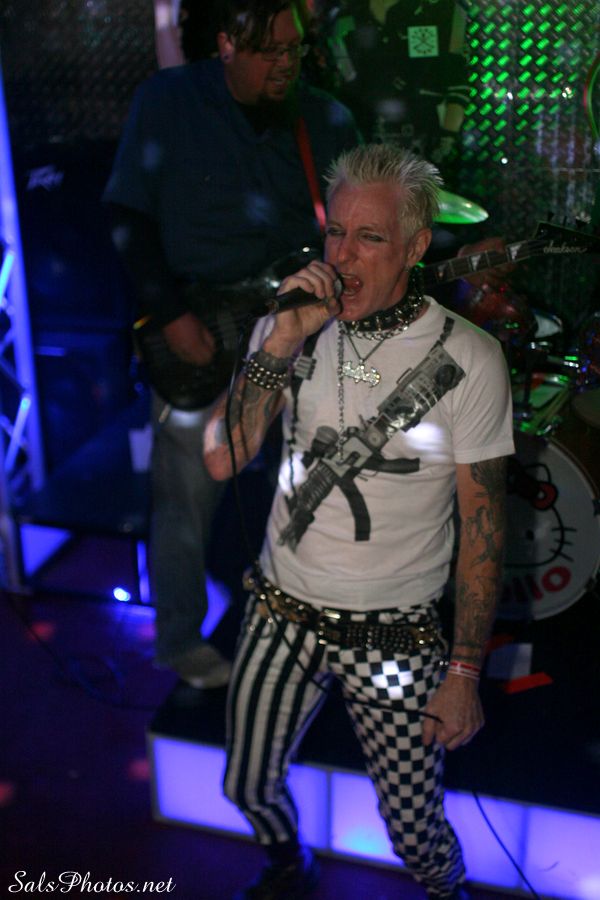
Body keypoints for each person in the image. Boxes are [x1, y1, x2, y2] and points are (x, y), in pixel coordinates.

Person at [204, 143, 515, 899]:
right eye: (335, 232)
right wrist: (282, 339)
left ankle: (446, 888)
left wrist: (464, 672)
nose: (342, 257)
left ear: (414, 246)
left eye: (369, 238)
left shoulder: (469, 358)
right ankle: (288, 860)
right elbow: (221, 457)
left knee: (410, 823)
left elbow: (483, 527)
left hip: (394, 632)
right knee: (245, 782)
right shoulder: (292, 325)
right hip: (281, 609)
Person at [103, 0, 360, 687]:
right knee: (186, 494)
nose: (284, 64)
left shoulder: (327, 119)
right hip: (198, 324)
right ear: (225, 44)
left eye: (292, 50)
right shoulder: (168, 101)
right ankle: (179, 640)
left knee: (311, 490)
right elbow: (126, 214)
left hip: (294, 330)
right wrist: (169, 315)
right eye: (267, 51)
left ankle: (306, 633)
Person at [316, 0, 470, 186]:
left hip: (423, 150)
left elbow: (455, 80)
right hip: (361, 154)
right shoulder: (345, 20)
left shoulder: (438, 11)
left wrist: (447, 139)